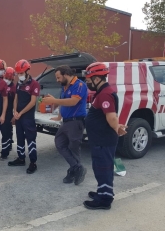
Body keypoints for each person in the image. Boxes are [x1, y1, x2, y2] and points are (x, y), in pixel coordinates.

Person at [83, 62, 127, 210]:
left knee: (104, 168)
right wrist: (117, 126)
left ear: (97, 79)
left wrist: (117, 127)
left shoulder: (105, 94)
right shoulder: (101, 93)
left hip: (104, 140)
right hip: (99, 139)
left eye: (89, 81)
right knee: (99, 167)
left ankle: (105, 199)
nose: (88, 83)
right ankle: (102, 192)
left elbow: (111, 117)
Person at [42, 65, 87, 184]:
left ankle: (74, 171)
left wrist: (54, 101)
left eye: (58, 77)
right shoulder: (65, 86)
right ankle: (77, 167)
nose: (57, 80)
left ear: (66, 74)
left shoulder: (79, 85)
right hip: (66, 121)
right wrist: (59, 116)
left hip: (75, 121)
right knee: (59, 143)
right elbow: (63, 103)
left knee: (73, 148)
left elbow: (73, 101)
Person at [8, 60, 40, 174]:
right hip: (19, 117)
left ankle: (33, 162)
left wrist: (20, 113)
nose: (19, 75)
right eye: (18, 73)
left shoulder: (34, 84)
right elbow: (16, 98)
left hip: (28, 117)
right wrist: (15, 111)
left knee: (30, 139)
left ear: (27, 71)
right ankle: (21, 158)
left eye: (21, 73)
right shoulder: (19, 84)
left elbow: (32, 102)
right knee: (20, 138)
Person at [0, 67, 16, 160]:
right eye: (7, 78)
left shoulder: (14, 88)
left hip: (8, 113)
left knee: (6, 133)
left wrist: (14, 114)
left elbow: (15, 102)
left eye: (10, 79)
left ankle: (5, 153)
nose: (8, 80)